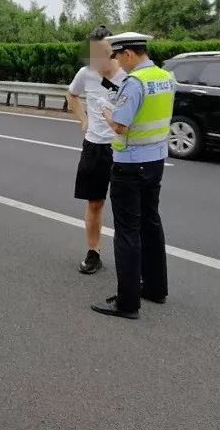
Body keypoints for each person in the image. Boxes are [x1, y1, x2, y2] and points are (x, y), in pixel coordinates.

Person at [90, 33, 176, 319]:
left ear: (128, 54)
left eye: (118, 57)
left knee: (127, 232)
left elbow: (120, 126)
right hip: (156, 161)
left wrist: (105, 109)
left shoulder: (135, 82)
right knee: (151, 224)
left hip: (130, 164)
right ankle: (155, 288)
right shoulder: (165, 77)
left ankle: (127, 303)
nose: (117, 63)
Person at [66, 26, 126, 274]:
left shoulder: (128, 74)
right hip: (95, 147)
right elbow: (72, 95)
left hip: (123, 149)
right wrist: (83, 120)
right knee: (95, 203)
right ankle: (94, 252)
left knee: (126, 206)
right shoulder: (86, 73)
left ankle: (130, 257)